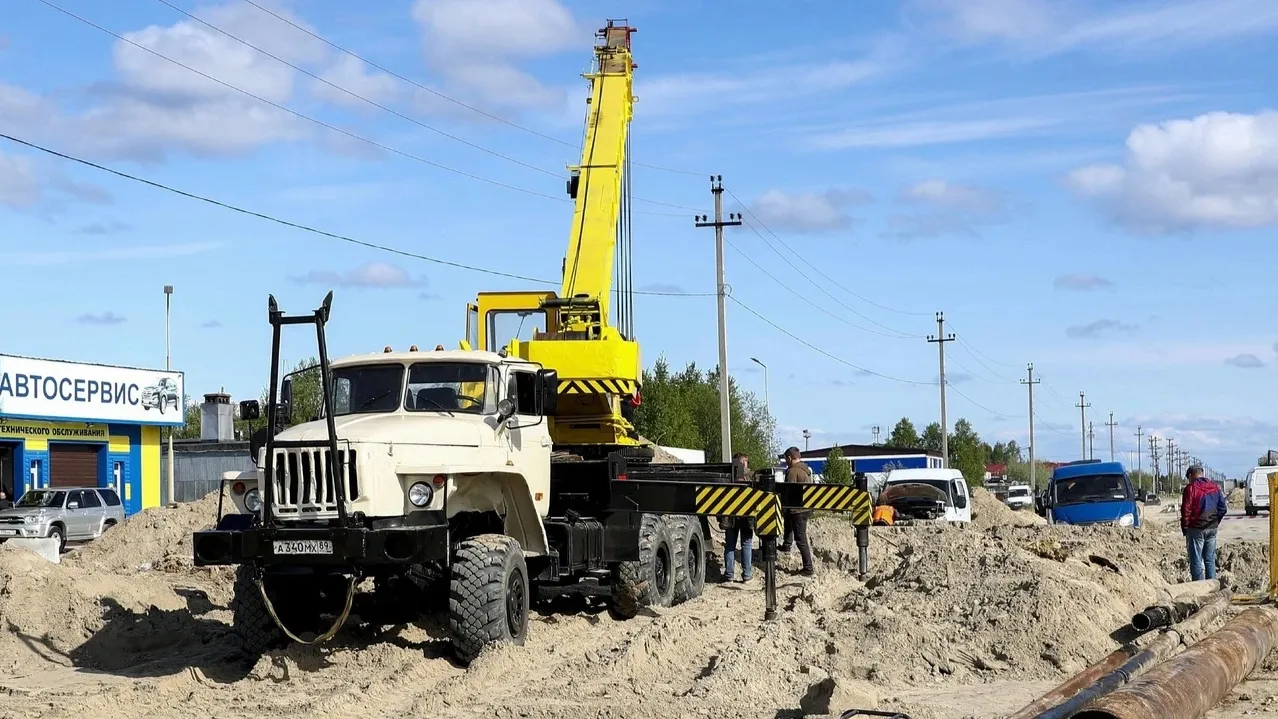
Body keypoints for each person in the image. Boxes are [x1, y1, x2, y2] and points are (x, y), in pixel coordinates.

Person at [1180, 464, 1227, 581]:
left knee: (1196, 561)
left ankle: (1199, 590)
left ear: (1191, 475)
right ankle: (1212, 588)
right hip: (1212, 528)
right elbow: (1223, 508)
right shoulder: (1215, 487)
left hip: (1196, 528)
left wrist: (1185, 527)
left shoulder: (1191, 488)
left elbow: (1186, 510)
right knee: (1210, 559)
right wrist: (1215, 521)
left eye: (1188, 477)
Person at [777, 446, 815, 576]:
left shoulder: (792, 471)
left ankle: (808, 568)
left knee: (800, 538)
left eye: (785, 459)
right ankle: (786, 545)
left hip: (797, 509)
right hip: (805, 507)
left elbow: (788, 490)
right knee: (789, 525)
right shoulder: (806, 470)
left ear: (789, 457)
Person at [722, 452, 754, 582]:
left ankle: (729, 575)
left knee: (730, 545)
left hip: (730, 516)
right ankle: (747, 575)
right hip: (747, 515)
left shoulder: (727, 476)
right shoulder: (752, 476)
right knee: (746, 544)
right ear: (744, 462)